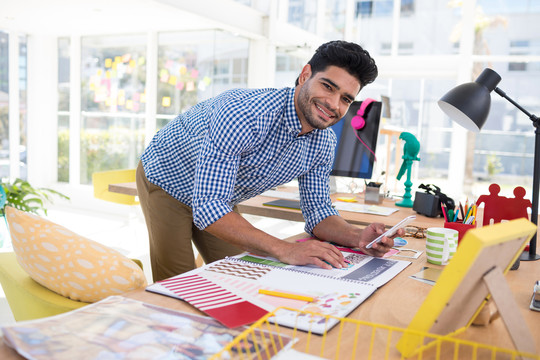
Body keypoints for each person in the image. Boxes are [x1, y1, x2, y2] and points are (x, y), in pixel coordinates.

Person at [137, 40, 402, 282]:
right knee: (179, 285)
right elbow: (208, 207)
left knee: (240, 278)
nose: (334, 104)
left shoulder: (324, 143)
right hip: (169, 177)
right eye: (328, 86)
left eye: (346, 99)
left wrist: (359, 237)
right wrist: (286, 250)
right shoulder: (245, 115)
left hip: (217, 197)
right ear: (305, 75)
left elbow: (319, 213)